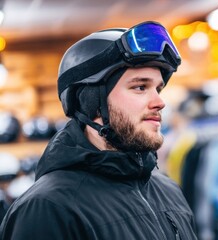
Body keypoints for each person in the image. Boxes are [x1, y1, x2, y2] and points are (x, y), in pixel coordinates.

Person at [0, 21, 198, 239]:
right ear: (91, 101)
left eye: (158, 88)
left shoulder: (168, 190)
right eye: (140, 87)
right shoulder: (46, 209)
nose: (159, 102)